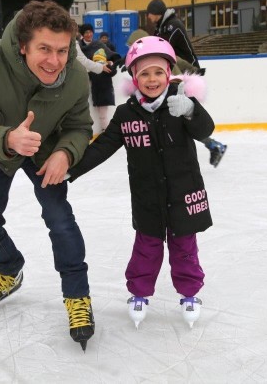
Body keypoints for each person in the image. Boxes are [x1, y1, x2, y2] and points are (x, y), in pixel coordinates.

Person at [0, 0, 95, 350]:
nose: (54, 60)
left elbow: (79, 126)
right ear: (23, 45)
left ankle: (77, 295)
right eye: (44, 49)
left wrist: (66, 152)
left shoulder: (76, 75)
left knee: (60, 218)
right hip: (0, 147)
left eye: (62, 50)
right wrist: (7, 138)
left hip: (46, 150)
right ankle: (9, 269)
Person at [68, 36, 215, 329]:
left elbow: (205, 130)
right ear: (134, 77)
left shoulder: (181, 104)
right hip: (147, 198)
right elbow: (102, 147)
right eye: (144, 73)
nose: (152, 79)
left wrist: (190, 110)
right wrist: (71, 169)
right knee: (146, 248)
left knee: (185, 247)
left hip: (183, 195)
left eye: (158, 72)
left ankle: (189, 294)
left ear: (169, 74)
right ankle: (139, 293)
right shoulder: (127, 114)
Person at [146, 0, 228, 167]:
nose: (148, 16)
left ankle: (212, 145)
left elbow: (162, 48)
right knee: (175, 114)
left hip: (186, 74)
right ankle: (211, 145)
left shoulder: (172, 26)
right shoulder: (162, 27)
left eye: (149, 13)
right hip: (176, 74)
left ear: (157, 12)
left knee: (181, 115)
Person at [78, 23, 120, 132]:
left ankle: (105, 129)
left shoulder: (98, 44)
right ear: (82, 34)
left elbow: (110, 55)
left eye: (90, 32)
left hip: (100, 81)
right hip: (86, 79)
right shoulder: (79, 47)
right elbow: (82, 62)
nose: (89, 34)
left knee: (102, 111)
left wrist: (111, 61)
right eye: (86, 32)